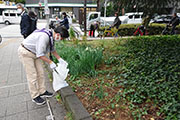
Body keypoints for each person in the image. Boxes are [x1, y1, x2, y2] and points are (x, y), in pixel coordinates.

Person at [18, 26, 69, 105]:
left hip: (35, 53)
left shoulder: (51, 35)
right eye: (62, 38)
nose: (61, 40)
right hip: (26, 53)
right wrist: (50, 62)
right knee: (32, 75)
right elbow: (40, 54)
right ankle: (35, 96)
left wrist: (60, 59)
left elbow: (52, 50)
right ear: (58, 34)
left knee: (41, 73)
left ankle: (42, 91)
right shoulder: (44, 37)